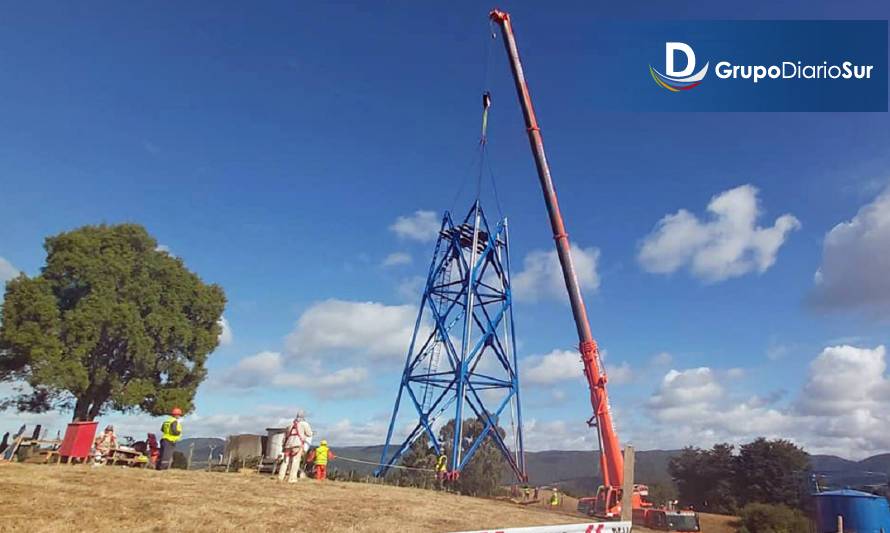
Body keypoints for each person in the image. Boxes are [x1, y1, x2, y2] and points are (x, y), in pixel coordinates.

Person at [278, 410, 312, 483]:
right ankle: (292, 479)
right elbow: (309, 434)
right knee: (295, 461)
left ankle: (280, 477)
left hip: (288, 445)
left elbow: (285, 436)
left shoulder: (290, 424)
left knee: (285, 461)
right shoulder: (304, 424)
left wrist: (283, 445)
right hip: (297, 444)